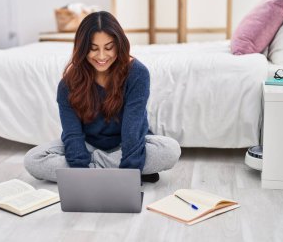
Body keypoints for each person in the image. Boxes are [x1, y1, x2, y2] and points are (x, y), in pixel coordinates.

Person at [24, 11, 181, 183]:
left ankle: (106, 170)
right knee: (33, 159)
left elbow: (132, 130)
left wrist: (129, 164)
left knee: (170, 150)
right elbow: (72, 134)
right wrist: (81, 163)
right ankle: (127, 168)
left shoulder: (137, 73)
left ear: (119, 44)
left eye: (108, 47)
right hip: (87, 145)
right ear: (83, 48)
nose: (101, 56)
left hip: (128, 144)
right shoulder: (67, 84)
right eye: (93, 49)